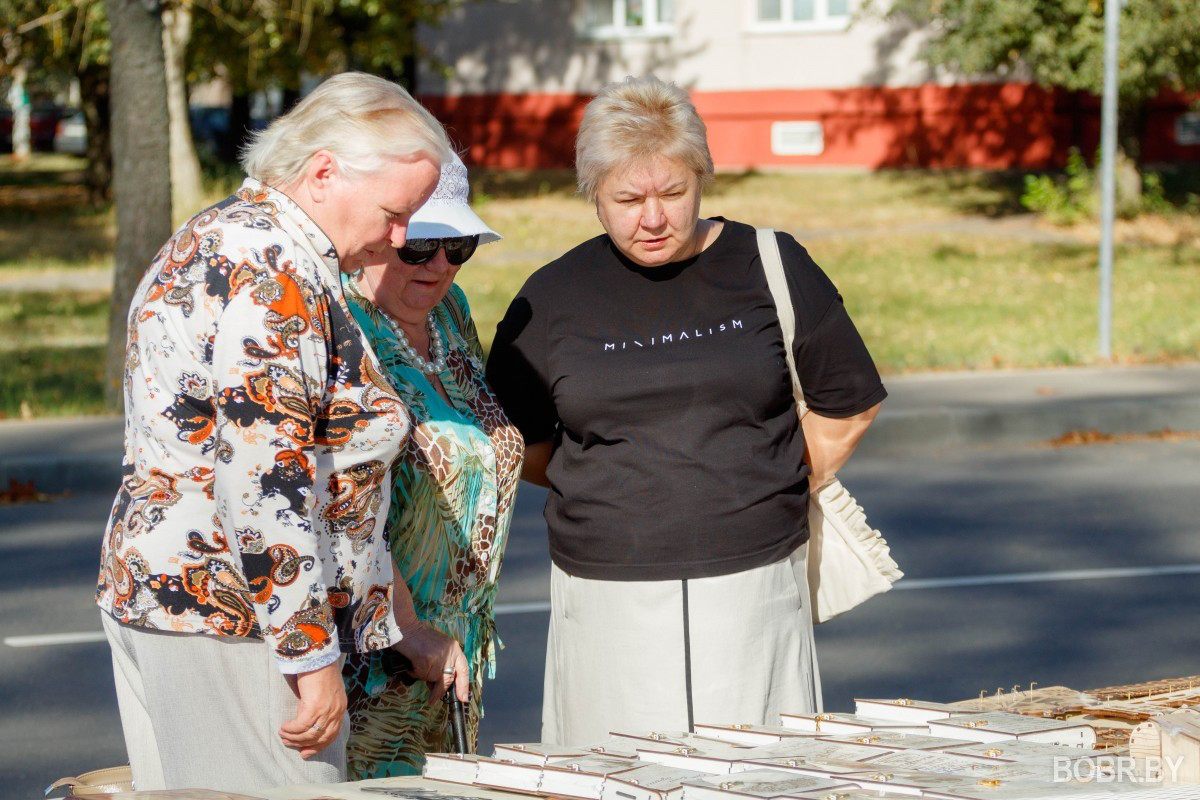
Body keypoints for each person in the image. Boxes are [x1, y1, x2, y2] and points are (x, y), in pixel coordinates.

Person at [485, 76, 887, 745]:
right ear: (592, 194)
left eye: (673, 193)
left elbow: (847, 403)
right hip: (605, 596)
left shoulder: (771, 263)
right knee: (615, 778)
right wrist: (622, 488)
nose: (653, 217)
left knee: (761, 777)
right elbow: (517, 442)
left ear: (702, 177)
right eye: (627, 198)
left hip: (754, 587)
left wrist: (763, 481)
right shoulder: (551, 297)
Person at [96, 72, 463, 793]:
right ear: (323, 171)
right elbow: (267, 483)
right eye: (395, 213)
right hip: (238, 625)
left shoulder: (222, 233)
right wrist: (309, 660)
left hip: (182, 601)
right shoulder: (275, 270)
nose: (400, 238)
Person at [339, 152, 525, 778]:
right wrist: (406, 627)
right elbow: (335, 491)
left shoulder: (450, 311)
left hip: (454, 652)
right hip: (377, 654)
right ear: (380, 235)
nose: (442, 265)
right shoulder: (340, 325)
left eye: (459, 244)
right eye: (421, 247)